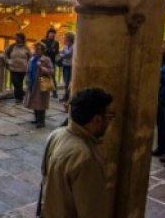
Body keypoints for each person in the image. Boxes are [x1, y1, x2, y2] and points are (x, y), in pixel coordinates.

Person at [40, 88, 115, 218]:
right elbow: (92, 211)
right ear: (97, 120)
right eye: (109, 117)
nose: (110, 122)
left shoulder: (57, 134)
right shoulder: (85, 158)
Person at [24, 42, 54, 128]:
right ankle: (37, 119)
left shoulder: (46, 59)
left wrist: (42, 68)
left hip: (42, 82)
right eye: (35, 48)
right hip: (33, 82)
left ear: (42, 50)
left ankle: (41, 122)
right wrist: (27, 78)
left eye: (38, 49)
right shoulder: (32, 58)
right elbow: (28, 69)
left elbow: (51, 71)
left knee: (41, 102)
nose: (36, 50)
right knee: (34, 101)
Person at [4, 33, 31, 104]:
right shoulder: (12, 46)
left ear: (21, 39)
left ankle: (18, 98)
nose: (16, 39)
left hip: (22, 69)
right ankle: (22, 94)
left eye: (17, 38)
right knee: (15, 82)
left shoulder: (26, 47)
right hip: (13, 68)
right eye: (15, 38)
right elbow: (5, 54)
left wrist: (28, 65)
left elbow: (30, 57)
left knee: (19, 83)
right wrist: (8, 61)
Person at [41, 28, 59, 99]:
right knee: (44, 76)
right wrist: (51, 50)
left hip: (52, 62)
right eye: (51, 34)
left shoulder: (56, 43)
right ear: (48, 34)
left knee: (52, 77)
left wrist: (49, 50)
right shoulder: (43, 41)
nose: (52, 35)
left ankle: (55, 92)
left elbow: (56, 51)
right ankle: (45, 93)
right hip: (44, 61)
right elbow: (43, 50)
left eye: (54, 34)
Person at [59, 32, 74, 102]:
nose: (64, 39)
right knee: (65, 81)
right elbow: (60, 52)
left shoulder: (73, 46)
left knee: (68, 81)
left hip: (70, 66)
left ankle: (67, 96)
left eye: (65, 38)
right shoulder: (65, 46)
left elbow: (68, 54)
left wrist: (62, 54)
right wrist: (62, 53)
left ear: (69, 38)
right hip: (65, 65)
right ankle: (66, 95)